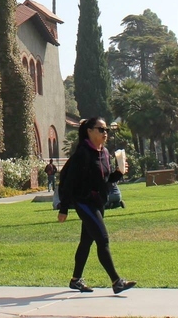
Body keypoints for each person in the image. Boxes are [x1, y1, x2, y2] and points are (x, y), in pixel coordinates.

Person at [57, 117, 135, 294]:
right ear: (89, 131)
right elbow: (69, 182)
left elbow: (105, 181)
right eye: (101, 129)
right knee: (103, 239)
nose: (105, 133)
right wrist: (64, 209)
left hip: (98, 202)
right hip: (84, 202)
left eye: (106, 129)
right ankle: (117, 281)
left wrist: (119, 173)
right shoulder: (82, 154)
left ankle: (75, 280)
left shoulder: (105, 153)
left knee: (86, 241)